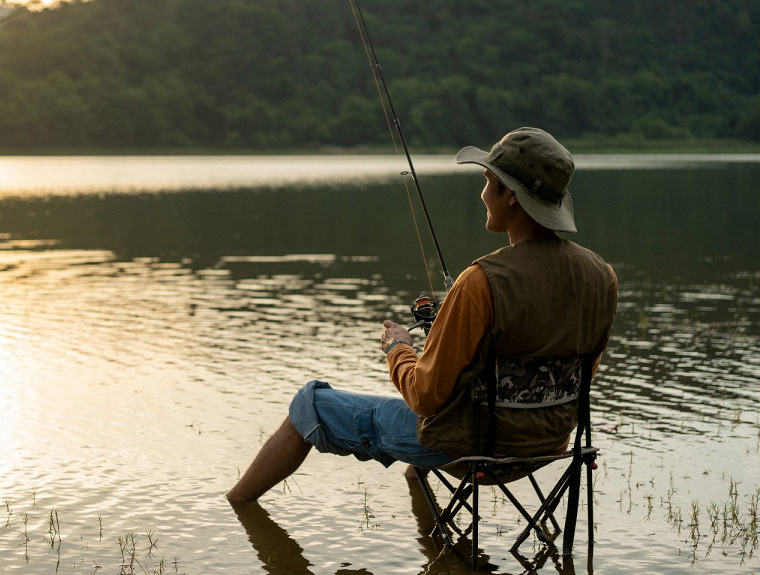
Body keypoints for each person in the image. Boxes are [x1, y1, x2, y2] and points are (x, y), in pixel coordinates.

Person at [226, 127, 618, 504]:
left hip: (472, 450)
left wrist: (399, 348)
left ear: (510, 195)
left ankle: (235, 506)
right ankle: (422, 504)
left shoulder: (481, 282)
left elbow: (426, 398)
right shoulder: (603, 277)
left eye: (487, 181)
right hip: (547, 447)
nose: (482, 194)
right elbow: (573, 376)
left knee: (308, 404)